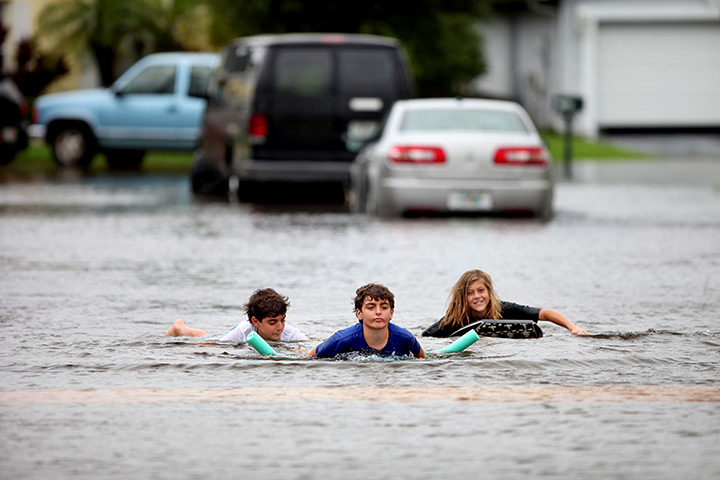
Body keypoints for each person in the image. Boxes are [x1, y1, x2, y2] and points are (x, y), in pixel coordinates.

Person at [422, 269, 588, 337]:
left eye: (481, 290)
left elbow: (545, 313)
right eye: (470, 293)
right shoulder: (454, 320)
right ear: (462, 298)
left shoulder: (505, 309)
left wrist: (572, 327)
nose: (477, 296)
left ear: (489, 291)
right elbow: (425, 336)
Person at [307, 283, 425, 359]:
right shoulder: (342, 339)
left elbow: (422, 359)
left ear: (391, 313)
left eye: (384, 307)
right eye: (371, 307)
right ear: (359, 313)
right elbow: (309, 358)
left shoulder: (405, 338)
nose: (378, 312)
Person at [164, 288, 308, 342]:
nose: (280, 327)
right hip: (229, 335)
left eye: (283, 320)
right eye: (272, 322)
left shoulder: (288, 331)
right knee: (204, 337)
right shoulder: (243, 331)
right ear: (256, 321)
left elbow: (310, 344)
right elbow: (212, 347)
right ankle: (179, 327)